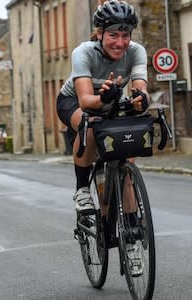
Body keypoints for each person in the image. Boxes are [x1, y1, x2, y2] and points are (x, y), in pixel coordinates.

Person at [56, 0, 149, 276]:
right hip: (74, 103)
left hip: (111, 102)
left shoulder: (136, 52)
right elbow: (85, 100)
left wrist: (139, 99)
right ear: (99, 33)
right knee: (91, 124)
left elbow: (140, 85)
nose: (120, 42)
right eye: (113, 35)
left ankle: (131, 240)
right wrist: (103, 97)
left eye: (125, 35)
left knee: (127, 164)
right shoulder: (83, 53)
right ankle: (82, 189)